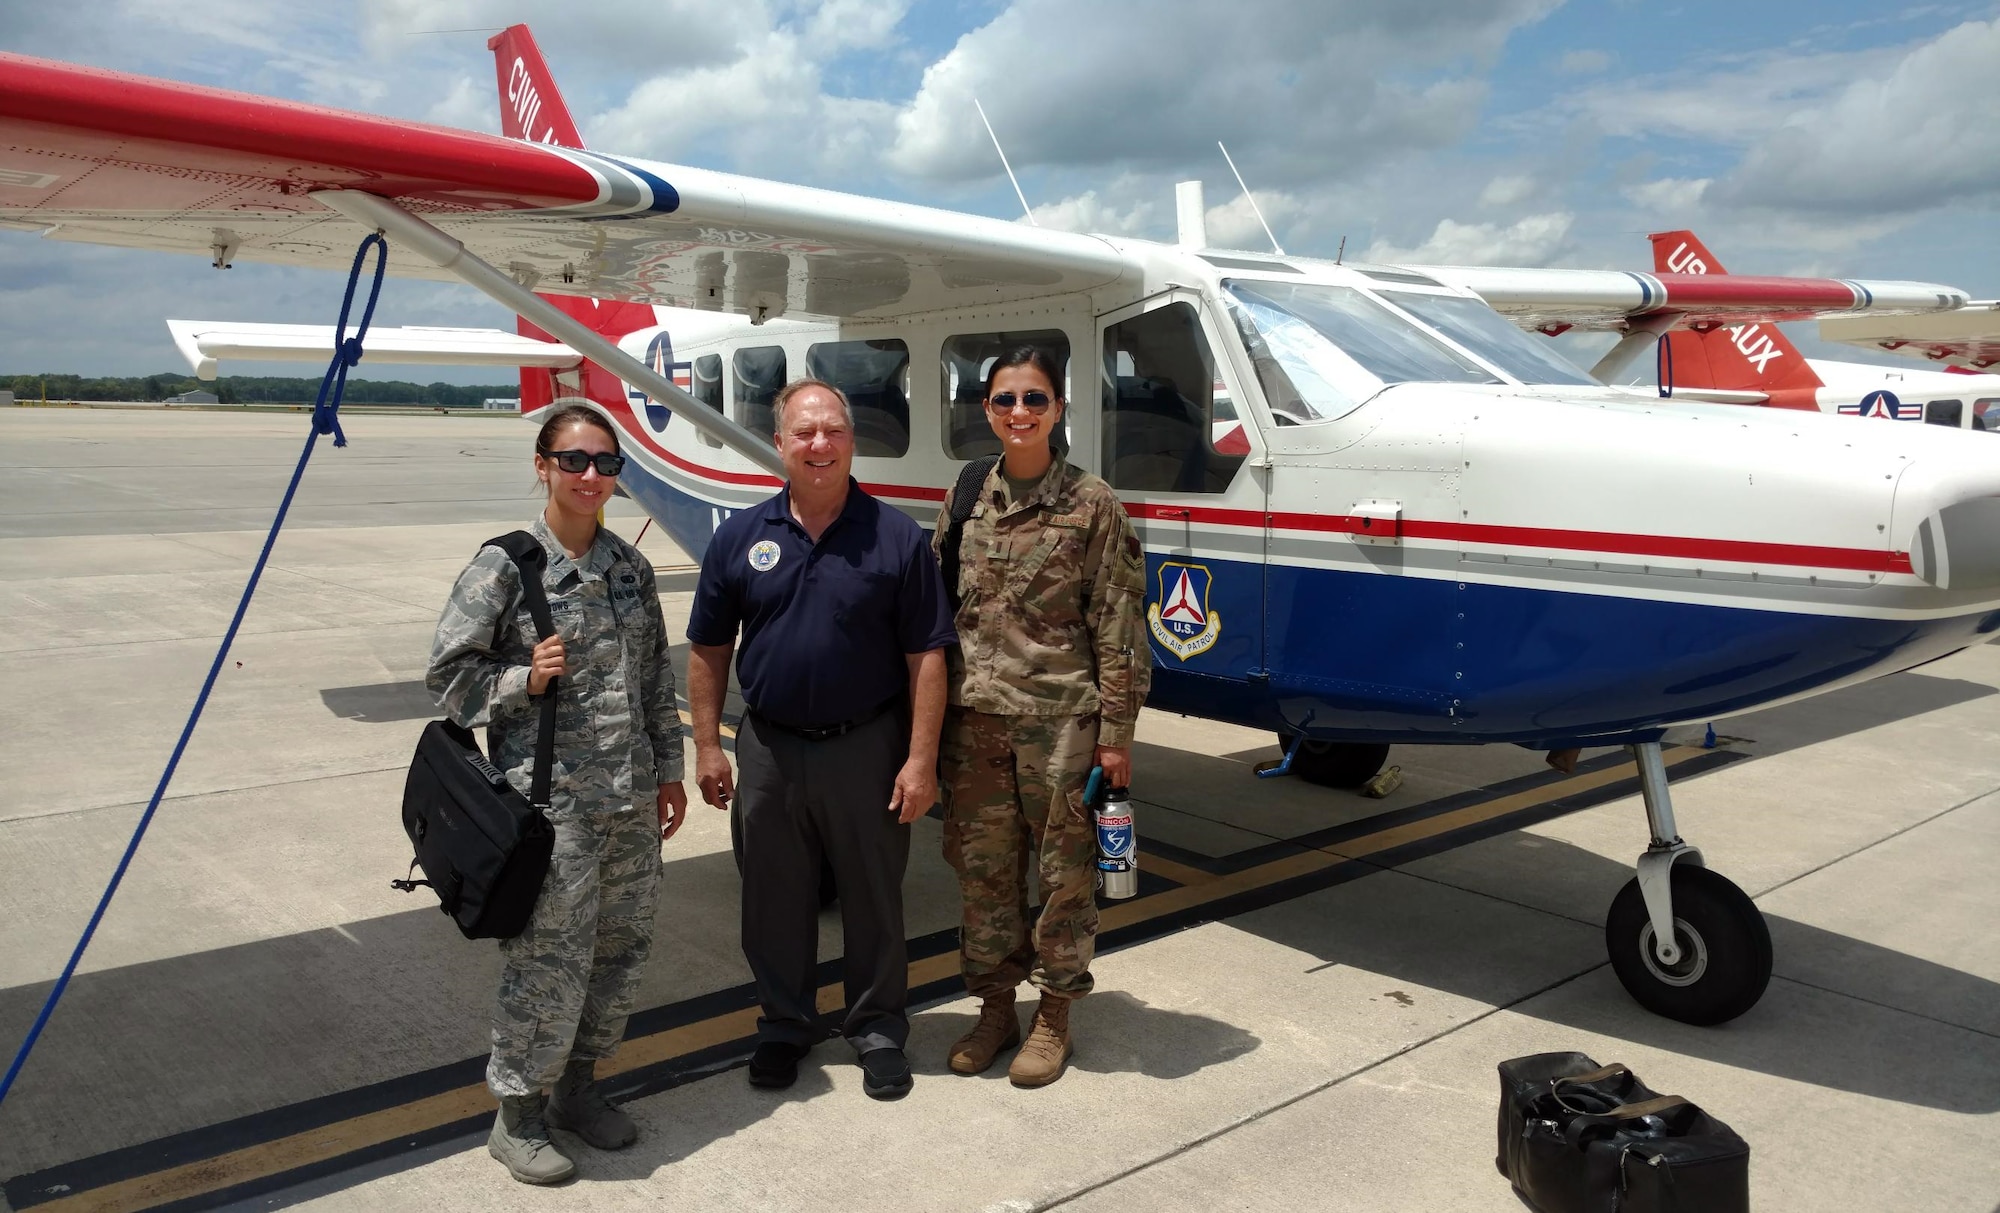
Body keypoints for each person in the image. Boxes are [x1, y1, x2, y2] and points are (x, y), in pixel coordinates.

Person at [428, 404, 688, 1185]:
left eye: (605, 463)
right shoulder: (506, 566)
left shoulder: (627, 567)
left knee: (620, 953)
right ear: (541, 464)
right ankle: (517, 1116)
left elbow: (653, 682)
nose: (590, 476)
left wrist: (669, 773)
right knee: (548, 964)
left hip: (629, 802)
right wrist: (522, 678)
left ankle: (580, 1088)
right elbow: (448, 681)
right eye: (573, 460)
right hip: (553, 811)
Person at [686, 379, 954, 1101]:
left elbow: (928, 656)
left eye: (833, 430)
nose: (819, 444)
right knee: (773, 895)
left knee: (874, 895)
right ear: (779, 444)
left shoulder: (896, 538)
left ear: (850, 441)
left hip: (866, 745)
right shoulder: (740, 537)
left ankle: (875, 1027)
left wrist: (920, 758)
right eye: (804, 432)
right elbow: (708, 647)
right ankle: (784, 1021)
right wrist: (709, 745)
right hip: (769, 746)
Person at [933, 345, 1151, 1087]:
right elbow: (937, 610)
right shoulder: (966, 495)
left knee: (1065, 875)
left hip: (1062, 724)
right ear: (987, 410)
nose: (1018, 412)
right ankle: (995, 1006)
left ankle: (1055, 1011)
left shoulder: (1094, 504)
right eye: (1004, 400)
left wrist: (1115, 738)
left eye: (1033, 398)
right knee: (982, 874)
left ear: (1058, 409)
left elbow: (1120, 626)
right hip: (975, 724)